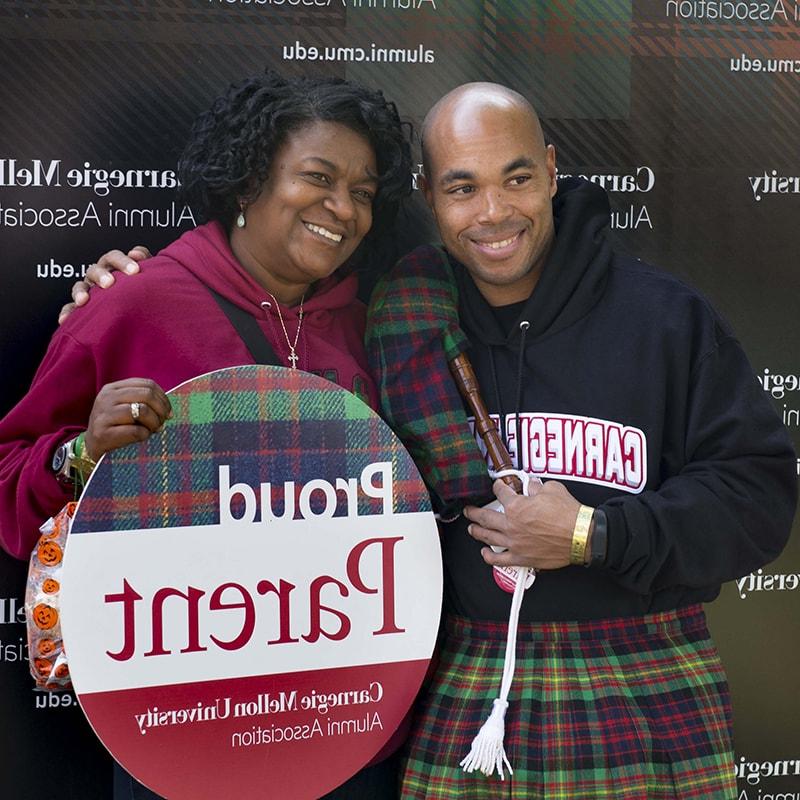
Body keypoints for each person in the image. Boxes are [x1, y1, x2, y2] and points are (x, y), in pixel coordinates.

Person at [60, 82, 796, 799]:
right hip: (450, 681)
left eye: (516, 178)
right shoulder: (398, 313)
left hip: (642, 684)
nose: (494, 212)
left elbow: (758, 498)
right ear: (428, 195)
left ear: (552, 167)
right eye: (462, 187)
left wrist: (590, 533)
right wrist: (120, 303)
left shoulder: (665, 319)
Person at [0, 69, 411, 799]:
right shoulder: (139, 300)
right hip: (181, 726)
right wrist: (84, 452)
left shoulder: (363, 321)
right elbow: (8, 477)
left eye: (364, 192)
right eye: (317, 177)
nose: (343, 209)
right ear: (248, 181)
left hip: (340, 719)